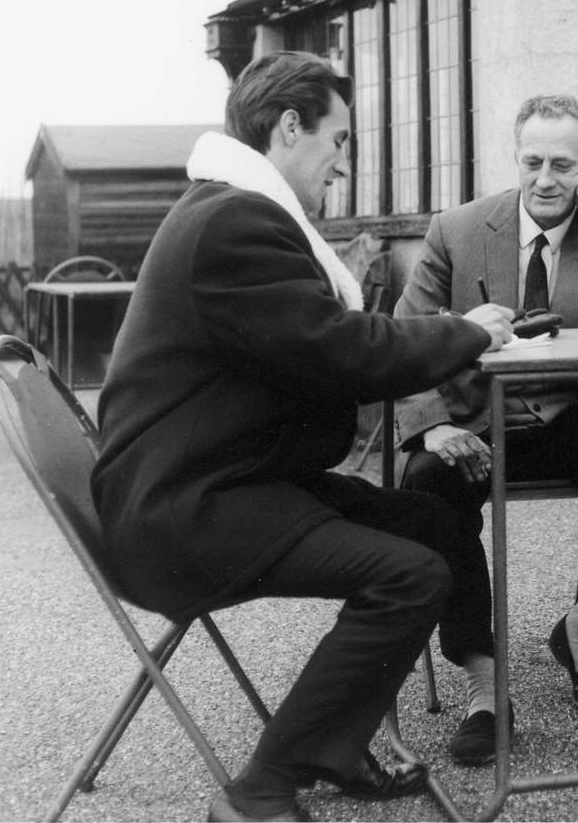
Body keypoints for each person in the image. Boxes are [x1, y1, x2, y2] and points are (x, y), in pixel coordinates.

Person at [91, 52, 515, 823]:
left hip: (215, 482)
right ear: (290, 126)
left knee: (435, 523)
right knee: (410, 572)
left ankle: (339, 743)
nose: (343, 164)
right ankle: (260, 788)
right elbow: (337, 351)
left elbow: (322, 350)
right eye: (339, 138)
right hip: (185, 511)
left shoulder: (228, 211)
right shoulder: (234, 222)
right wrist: (463, 332)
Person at [393, 93, 578, 766]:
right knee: (429, 486)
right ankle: (483, 680)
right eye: (533, 161)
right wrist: (432, 427)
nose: (546, 178)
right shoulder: (459, 228)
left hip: (572, 414)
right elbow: (405, 336)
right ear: (516, 158)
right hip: (475, 421)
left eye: (565, 164)